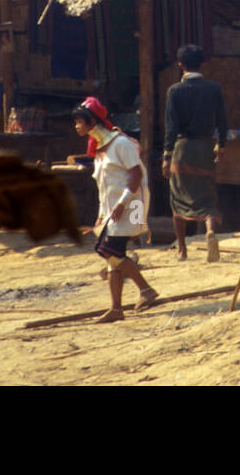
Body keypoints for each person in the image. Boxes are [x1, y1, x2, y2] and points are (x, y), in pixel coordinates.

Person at [74, 97, 159, 322]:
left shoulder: (122, 144)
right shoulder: (101, 150)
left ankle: (146, 289)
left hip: (132, 205)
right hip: (113, 210)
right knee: (112, 257)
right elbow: (105, 186)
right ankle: (117, 308)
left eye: (80, 121)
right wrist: (102, 214)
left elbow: (136, 175)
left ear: (92, 121)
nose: (76, 126)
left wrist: (122, 203)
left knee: (107, 251)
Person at [161, 45, 228, 262]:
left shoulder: (174, 91)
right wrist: (222, 144)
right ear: (202, 64)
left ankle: (182, 249)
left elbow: (171, 127)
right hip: (205, 148)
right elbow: (222, 121)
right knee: (207, 195)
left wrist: (166, 155)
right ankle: (210, 231)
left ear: (180, 65)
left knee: (178, 198)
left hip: (182, 149)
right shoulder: (214, 88)